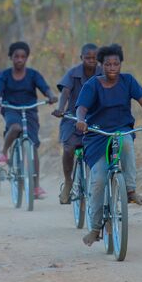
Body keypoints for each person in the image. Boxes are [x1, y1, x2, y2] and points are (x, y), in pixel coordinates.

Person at [74, 43, 142, 246]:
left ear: (121, 64)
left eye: (116, 64)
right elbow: (81, 108)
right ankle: (95, 228)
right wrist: (81, 121)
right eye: (108, 64)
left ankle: (130, 190)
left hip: (121, 130)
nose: (112, 68)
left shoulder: (128, 81)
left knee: (127, 143)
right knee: (99, 180)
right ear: (101, 65)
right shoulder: (92, 84)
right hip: (97, 135)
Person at [0, 41, 58, 199]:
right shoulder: (5, 75)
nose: (20, 59)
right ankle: (4, 152)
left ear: (27, 58)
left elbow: (45, 88)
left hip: (30, 111)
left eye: (23, 57)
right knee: (15, 128)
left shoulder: (33, 74)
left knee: (33, 146)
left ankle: (35, 187)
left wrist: (50, 96)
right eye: (16, 56)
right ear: (11, 58)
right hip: (11, 109)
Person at [52, 43, 101, 204]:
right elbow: (65, 92)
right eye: (88, 58)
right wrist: (60, 109)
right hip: (73, 117)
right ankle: (68, 182)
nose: (91, 61)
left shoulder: (103, 72)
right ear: (82, 58)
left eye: (94, 58)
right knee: (68, 147)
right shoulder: (73, 74)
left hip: (96, 118)